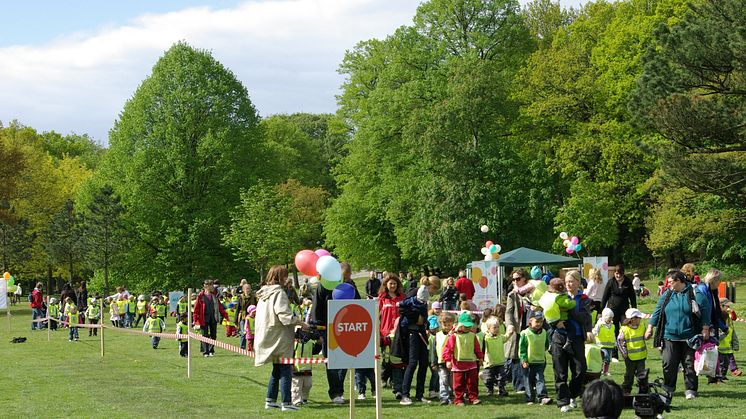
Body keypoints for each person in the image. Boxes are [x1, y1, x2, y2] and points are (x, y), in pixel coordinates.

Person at [644, 269, 710, 400]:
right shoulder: (667, 295)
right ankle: (669, 388)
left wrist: (705, 328)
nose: (668, 285)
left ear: (679, 281)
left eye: (670, 282)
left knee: (689, 364)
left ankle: (690, 390)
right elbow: (657, 311)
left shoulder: (695, 293)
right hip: (670, 335)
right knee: (669, 363)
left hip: (690, 336)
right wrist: (650, 328)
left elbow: (705, 310)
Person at [255, 265, 307, 412]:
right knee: (285, 369)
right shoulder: (279, 293)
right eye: (284, 276)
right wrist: (301, 323)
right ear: (280, 277)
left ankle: (270, 400)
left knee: (277, 369)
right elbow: (284, 317)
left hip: (268, 335)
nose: (286, 279)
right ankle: (286, 402)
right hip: (280, 337)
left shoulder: (264, 293)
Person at [553, 270, 593, 413]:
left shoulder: (584, 299)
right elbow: (548, 315)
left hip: (576, 337)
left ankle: (573, 395)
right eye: (567, 281)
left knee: (580, 370)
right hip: (560, 336)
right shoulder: (558, 297)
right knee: (560, 371)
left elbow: (585, 318)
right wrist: (555, 323)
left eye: (571, 281)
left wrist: (570, 309)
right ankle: (562, 401)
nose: (568, 284)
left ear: (578, 282)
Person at [398, 285, 431, 406]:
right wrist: (416, 318)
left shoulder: (425, 304)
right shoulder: (409, 301)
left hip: (422, 333)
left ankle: (420, 394)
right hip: (412, 333)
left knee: (423, 363)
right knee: (412, 363)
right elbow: (401, 308)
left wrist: (425, 323)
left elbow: (424, 318)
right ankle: (405, 394)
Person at [441, 312, 483, 406]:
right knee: (459, 383)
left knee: (472, 382)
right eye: (465, 326)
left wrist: (480, 357)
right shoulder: (453, 336)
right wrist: (447, 360)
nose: (468, 328)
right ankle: (459, 399)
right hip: (458, 363)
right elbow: (448, 349)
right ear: (460, 325)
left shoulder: (472, 335)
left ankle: (473, 398)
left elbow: (477, 348)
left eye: (469, 326)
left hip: (471, 363)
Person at [601, 264, 637, 359]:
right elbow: (604, 297)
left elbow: (632, 297)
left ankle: (627, 351)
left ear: (623, 274)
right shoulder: (610, 282)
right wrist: (601, 311)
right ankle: (614, 355)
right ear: (614, 273)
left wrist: (634, 311)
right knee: (614, 331)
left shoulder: (628, 282)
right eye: (616, 274)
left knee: (625, 330)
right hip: (612, 311)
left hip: (624, 311)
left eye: (620, 274)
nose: (618, 276)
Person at [505, 269, 530, 394]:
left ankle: (530, 383)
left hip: (531, 327)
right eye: (513, 279)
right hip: (518, 328)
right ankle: (519, 385)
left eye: (518, 279)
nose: (515, 281)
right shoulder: (512, 295)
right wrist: (510, 325)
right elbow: (508, 312)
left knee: (529, 355)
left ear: (524, 278)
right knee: (516, 356)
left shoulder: (532, 291)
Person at [519, 312, 551, 406]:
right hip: (528, 362)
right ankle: (529, 398)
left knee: (540, 379)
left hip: (540, 361)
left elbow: (546, 344)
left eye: (541, 321)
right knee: (528, 380)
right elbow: (522, 348)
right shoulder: (525, 333)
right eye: (536, 321)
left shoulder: (544, 332)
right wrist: (524, 360)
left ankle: (542, 397)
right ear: (530, 322)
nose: (539, 324)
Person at [193, 279, 229, 357]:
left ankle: (211, 350)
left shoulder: (214, 296)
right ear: (205, 286)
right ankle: (205, 352)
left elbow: (220, 307)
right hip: (203, 318)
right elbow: (196, 309)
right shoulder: (200, 296)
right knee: (204, 335)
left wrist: (225, 315)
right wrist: (196, 320)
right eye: (209, 285)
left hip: (213, 317)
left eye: (212, 285)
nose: (211, 286)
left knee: (213, 335)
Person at [617, 308, 649, 395]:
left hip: (641, 356)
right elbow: (619, 342)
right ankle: (626, 390)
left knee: (642, 374)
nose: (640, 319)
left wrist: (648, 335)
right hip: (630, 357)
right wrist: (624, 353)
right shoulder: (624, 329)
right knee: (629, 375)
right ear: (633, 319)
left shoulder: (642, 326)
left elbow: (645, 336)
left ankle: (643, 390)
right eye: (639, 318)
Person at [481, 316, 509, 396]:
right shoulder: (486, 338)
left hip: (500, 361)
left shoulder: (500, 337)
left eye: (498, 327)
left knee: (502, 377)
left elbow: (506, 338)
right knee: (489, 378)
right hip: (489, 362)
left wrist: (509, 332)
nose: (497, 329)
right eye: (494, 327)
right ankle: (490, 389)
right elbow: (483, 348)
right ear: (489, 328)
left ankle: (501, 389)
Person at [292, 325, 317, 406]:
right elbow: (291, 354)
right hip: (297, 368)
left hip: (307, 368)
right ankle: (296, 400)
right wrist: (291, 365)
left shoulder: (310, 342)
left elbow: (315, 350)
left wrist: (320, 340)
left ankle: (304, 398)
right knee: (297, 386)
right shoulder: (294, 343)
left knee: (308, 385)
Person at [432, 312, 455, 405]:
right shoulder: (437, 335)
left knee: (452, 381)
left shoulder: (454, 335)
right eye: (444, 325)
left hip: (452, 362)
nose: (446, 327)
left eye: (449, 325)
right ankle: (444, 397)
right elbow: (434, 350)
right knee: (443, 380)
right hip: (441, 362)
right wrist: (434, 362)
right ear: (441, 324)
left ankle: (452, 396)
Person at [717, 297, 741, 377]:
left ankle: (734, 370)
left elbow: (734, 318)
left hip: (728, 340)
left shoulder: (728, 313)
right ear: (721, 306)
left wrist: (732, 311)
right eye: (727, 306)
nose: (728, 308)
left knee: (730, 357)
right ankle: (720, 375)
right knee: (722, 360)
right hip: (721, 341)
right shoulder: (718, 315)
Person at [592, 308, 615, 376]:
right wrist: (593, 335)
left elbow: (613, 334)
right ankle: (601, 370)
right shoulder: (600, 324)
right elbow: (595, 331)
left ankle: (605, 371)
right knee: (606, 356)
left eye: (611, 318)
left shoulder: (612, 326)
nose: (610, 319)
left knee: (608, 360)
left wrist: (615, 343)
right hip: (601, 345)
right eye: (608, 318)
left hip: (609, 346)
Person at [236, 283, 256, 350]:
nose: (248, 290)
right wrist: (236, 320)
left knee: (253, 333)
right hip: (243, 317)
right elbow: (238, 309)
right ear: (243, 290)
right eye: (246, 289)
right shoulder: (240, 298)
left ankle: (252, 347)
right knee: (243, 333)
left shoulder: (254, 298)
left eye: (249, 288)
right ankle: (242, 348)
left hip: (252, 318)